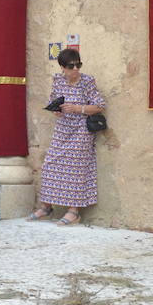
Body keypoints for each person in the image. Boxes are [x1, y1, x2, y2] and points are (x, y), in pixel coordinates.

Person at [31, 49, 107, 227]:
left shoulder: (87, 82)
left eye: (78, 64)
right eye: (71, 66)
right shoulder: (58, 81)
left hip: (81, 131)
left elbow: (100, 105)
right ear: (62, 67)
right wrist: (56, 110)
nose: (75, 69)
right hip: (62, 129)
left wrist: (77, 108)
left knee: (75, 168)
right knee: (50, 164)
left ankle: (74, 212)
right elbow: (54, 100)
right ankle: (46, 207)